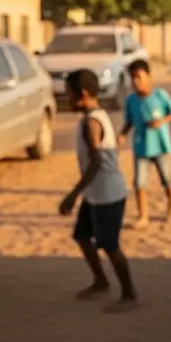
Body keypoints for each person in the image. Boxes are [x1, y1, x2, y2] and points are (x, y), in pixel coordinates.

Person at [60, 69, 137, 311]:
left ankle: (129, 293)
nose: (67, 99)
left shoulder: (92, 123)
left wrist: (73, 195)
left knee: (110, 245)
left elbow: (96, 163)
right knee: (82, 236)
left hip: (108, 194)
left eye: (69, 94)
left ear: (82, 94)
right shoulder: (94, 116)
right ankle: (101, 281)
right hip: (95, 193)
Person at [118, 59, 171, 226]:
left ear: (148, 76)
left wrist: (162, 121)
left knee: (167, 179)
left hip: (160, 145)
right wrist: (122, 135)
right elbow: (129, 121)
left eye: (139, 77)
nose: (135, 81)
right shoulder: (131, 100)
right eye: (133, 78)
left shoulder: (160, 95)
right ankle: (143, 216)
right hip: (141, 146)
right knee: (139, 183)